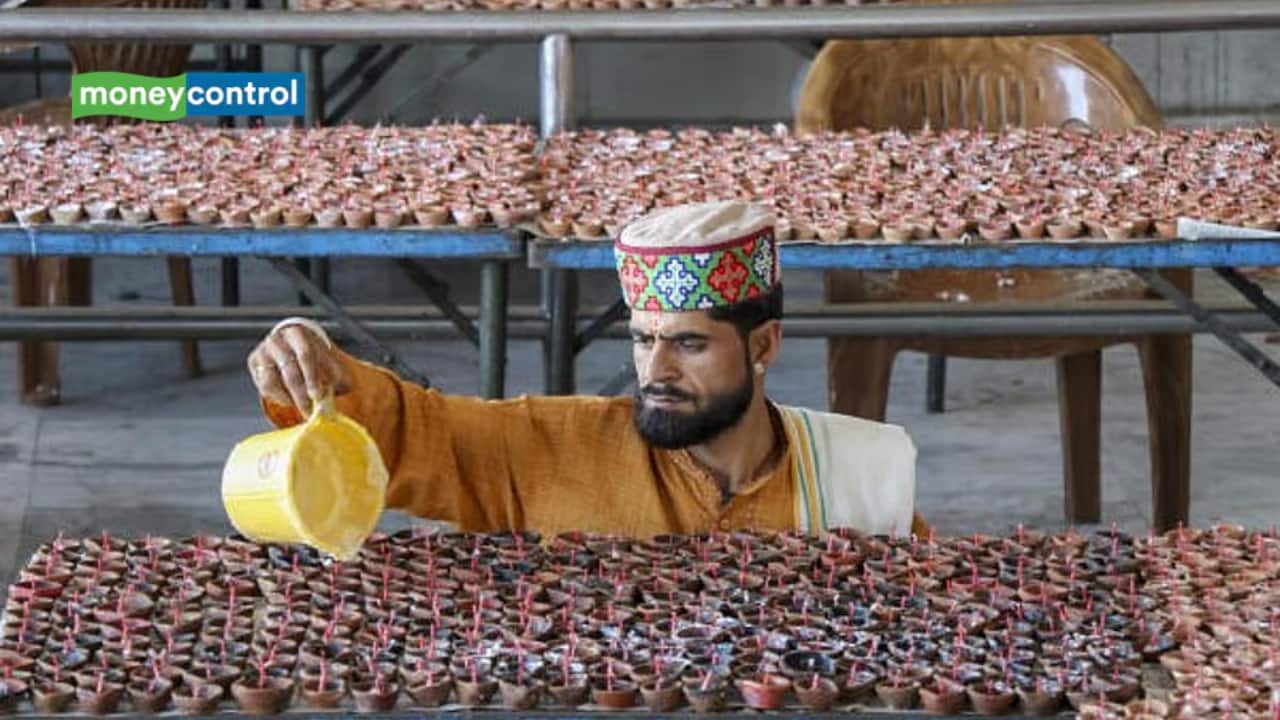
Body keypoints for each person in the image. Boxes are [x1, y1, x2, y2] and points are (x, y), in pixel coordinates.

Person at [248, 201, 924, 538]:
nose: (653, 370)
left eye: (687, 345)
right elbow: (410, 433)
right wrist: (310, 359)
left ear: (764, 345)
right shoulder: (554, 447)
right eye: (641, 339)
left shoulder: (857, 477)